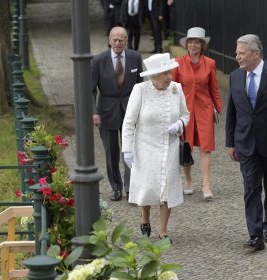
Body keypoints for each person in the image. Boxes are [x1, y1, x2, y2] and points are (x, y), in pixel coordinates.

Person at [225, 34, 267, 251]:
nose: (237, 57)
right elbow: (232, 112)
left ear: (256, 54)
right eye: (237, 53)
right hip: (245, 143)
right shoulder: (235, 76)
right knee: (251, 188)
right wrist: (230, 142)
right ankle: (255, 235)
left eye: (241, 53)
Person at [122, 53, 189, 241]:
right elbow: (129, 122)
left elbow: (186, 115)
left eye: (169, 72)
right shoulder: (140, 90)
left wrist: (179, 125)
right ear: (153, 76)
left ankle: (164, 230)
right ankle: (145, 218)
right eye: (165, 73)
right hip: (144, 146)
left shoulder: (177, 89)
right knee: (147, 186)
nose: (169, 77)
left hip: (170, 146)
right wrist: (127, 149)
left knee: (167, 187)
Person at [91, 26, 143, 201]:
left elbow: (140, 85)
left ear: (127, 40)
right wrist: (94, 112)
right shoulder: (98, 60)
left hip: (131, 109)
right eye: (115, 39)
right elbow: (90, 89)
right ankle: (116, 187)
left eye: (122, 39)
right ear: (109, 41)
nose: (118, 43)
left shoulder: (135, 57)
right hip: (106, 111)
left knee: (130, 150)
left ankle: (131, 188)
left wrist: (142, 109)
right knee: (111, 152)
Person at [172, 27, 222, 200]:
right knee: (186, 146)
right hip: (184, 111)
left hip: (204, 110)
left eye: (197, 42)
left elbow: (214, 89)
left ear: (202, 45)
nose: (193, 45)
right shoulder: (177, 63)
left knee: (206, 148)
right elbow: (173, 89)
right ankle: (188, 180)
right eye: (190, 42)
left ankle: (206, 184)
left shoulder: (210, 63)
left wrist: (218, 108)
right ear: (186, 44)